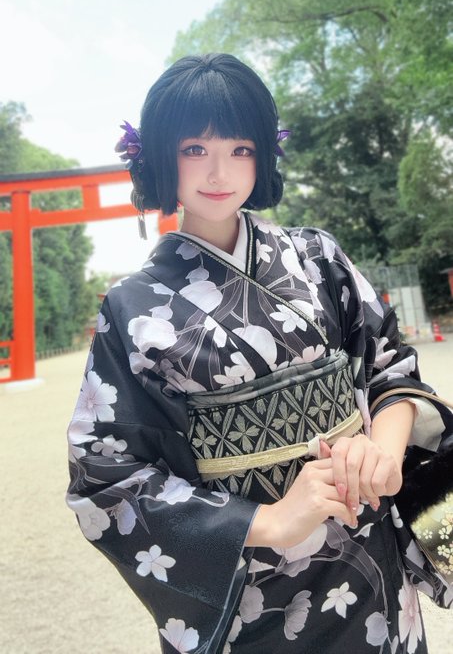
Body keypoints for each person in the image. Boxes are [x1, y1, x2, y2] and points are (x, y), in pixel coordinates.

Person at [67, 53, 452, 653]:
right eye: (195, 148)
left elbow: (388, 365)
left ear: (263, 155)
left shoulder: (317, 257)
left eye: (240, 148)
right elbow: (105, 474)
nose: (219, 171)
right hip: (254, 589)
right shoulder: (132, 307)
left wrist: (383, 450)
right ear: (160, 154)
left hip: (368, 555)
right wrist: (266, 521)